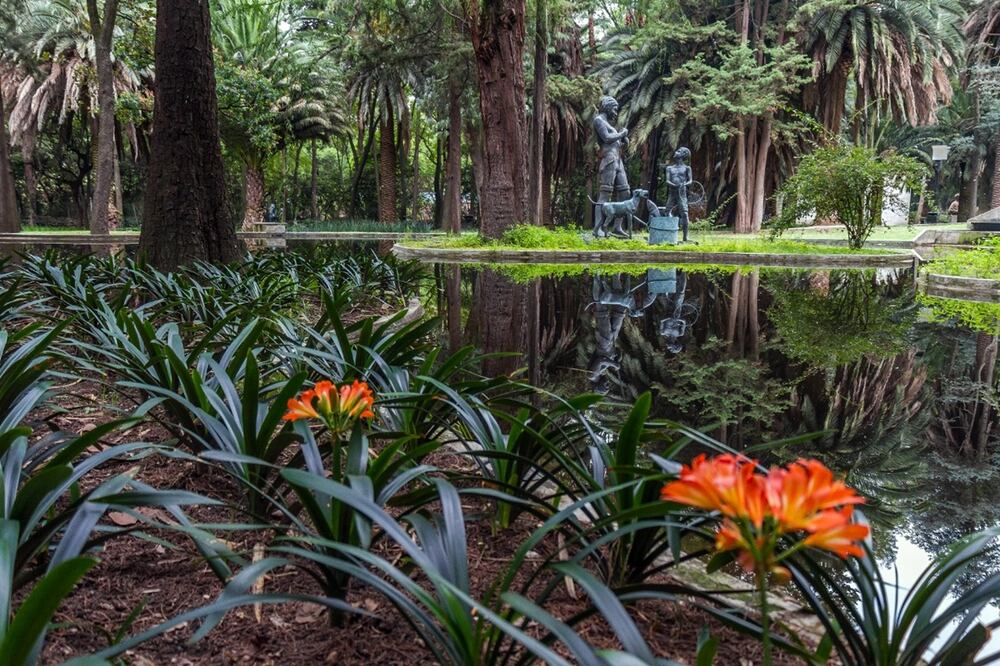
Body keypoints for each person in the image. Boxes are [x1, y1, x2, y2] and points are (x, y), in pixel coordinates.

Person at [593, 96, 630, 238]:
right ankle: (598, 229)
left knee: (625, 193)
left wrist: (624, 140)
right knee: (605, 194)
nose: (616, 112)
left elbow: (616, 143)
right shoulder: (599, 120)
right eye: (614, 109)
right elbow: (606, 138)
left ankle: (617, 227)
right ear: (608, 107)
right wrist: (621, 134)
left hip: (618, 161)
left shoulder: (611, 125)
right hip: (608, 160)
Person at [664, 147, 693, 242]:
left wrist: (684, 184)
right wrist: (674, 185)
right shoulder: (669, 168)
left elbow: (690, 181)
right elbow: (667, 181)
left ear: (683, 155)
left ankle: (685, 237)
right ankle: (667, 235)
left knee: (684, 213)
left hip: (682, 193)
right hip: (672, 193)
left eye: (679, 151)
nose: (676, 152)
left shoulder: (687, 168)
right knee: (667, 211)